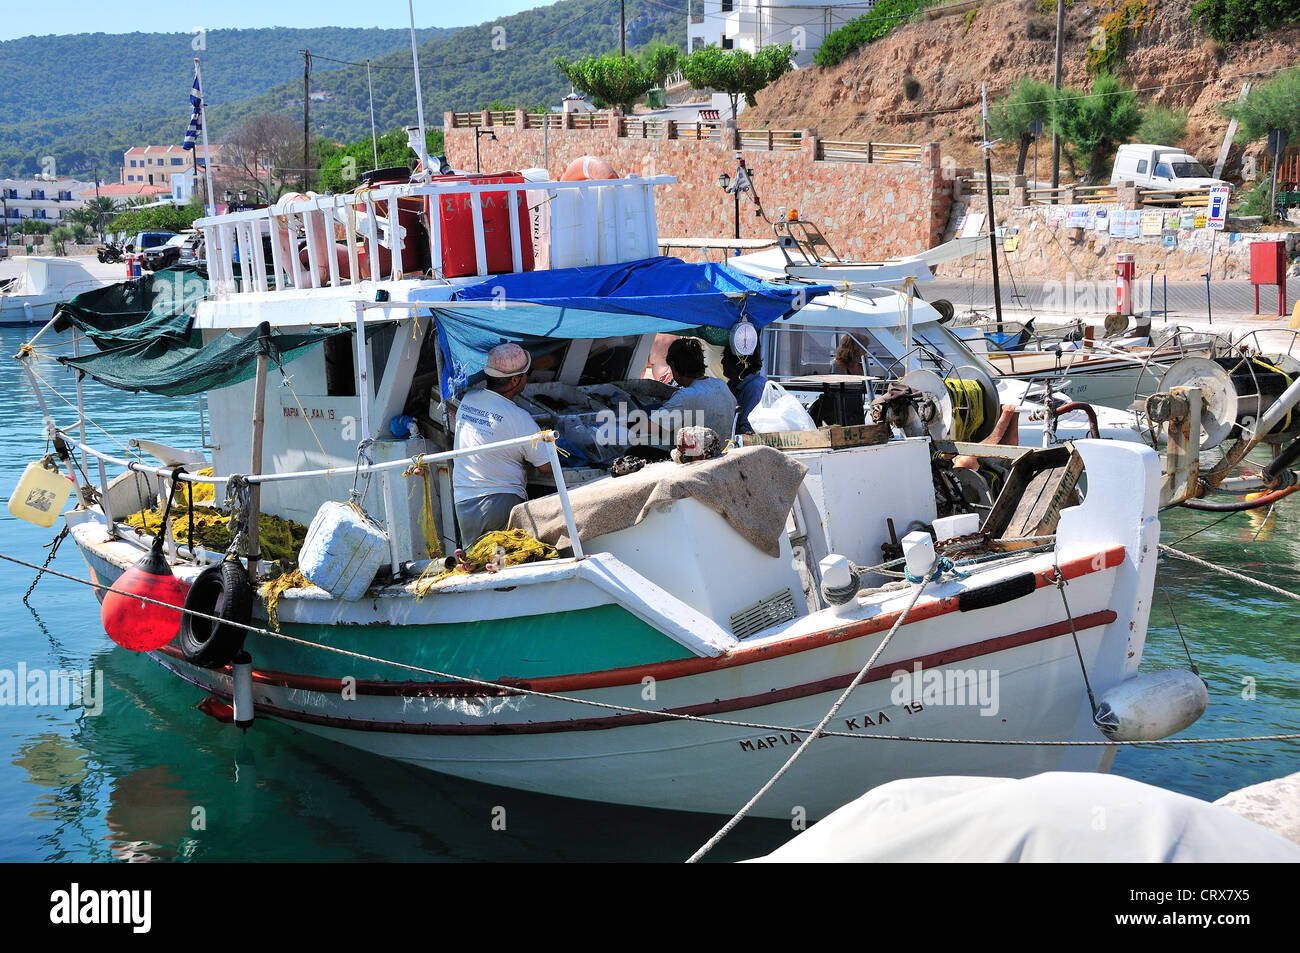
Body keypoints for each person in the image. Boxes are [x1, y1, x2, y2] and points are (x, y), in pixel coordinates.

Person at [452, 343, 552, 544]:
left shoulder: (469, 400)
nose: (526, 378)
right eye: (526, 374)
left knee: (478, 564)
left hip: (463, 502)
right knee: (506, 563)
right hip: (500, 502)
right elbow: (547, 466)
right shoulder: (520, 418)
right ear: (515, 380)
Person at [645, 337, 737, 443]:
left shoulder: (685, 396)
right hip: (724, 449)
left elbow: (650, 427)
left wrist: (626, 420)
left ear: (674, 366)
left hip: (702, 456)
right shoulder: (720, 384)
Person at [721, 342, 767, 435]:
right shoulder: (732, 384)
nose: (722, 361)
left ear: (740, 362)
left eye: (726, 357)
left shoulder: (754, 388)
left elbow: (748, 431)